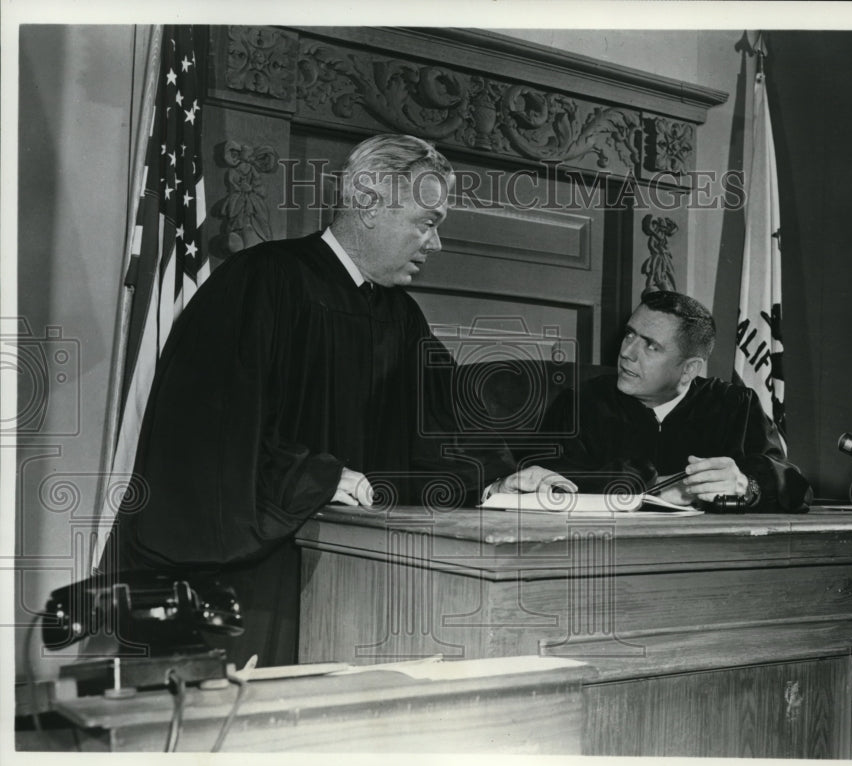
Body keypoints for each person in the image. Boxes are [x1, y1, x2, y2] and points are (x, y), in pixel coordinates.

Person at [99, 134, 572, 666]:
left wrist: (498, 479)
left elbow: (442, 428)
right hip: (254, 579)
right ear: (368, 203)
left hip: (351, 578)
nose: (436, 244)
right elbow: (206, 432)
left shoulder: (399, 316)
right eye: (428, 221)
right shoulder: (262, 281)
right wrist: (317, 477)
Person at [540, 289, 812, 512]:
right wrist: (656, 485)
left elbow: (794, 486)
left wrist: (747, 485)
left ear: (689, 369)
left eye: (651, 346)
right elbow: (543, 479)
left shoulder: (734, 405)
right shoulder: (580, 403)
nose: (627, 352)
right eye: (630, 334)